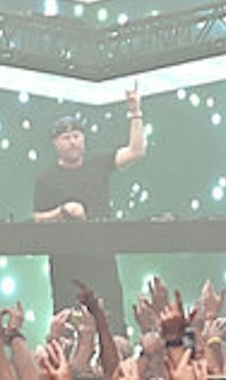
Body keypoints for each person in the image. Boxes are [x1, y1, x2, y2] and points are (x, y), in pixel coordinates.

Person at [31, 88, 147, 322]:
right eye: (66, 138)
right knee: (69, 325)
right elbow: (36, 218)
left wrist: (135, 112)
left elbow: (136, 151)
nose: (73, 142)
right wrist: (63, 211)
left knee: (111, 321)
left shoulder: (99, 164)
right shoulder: (46, 179)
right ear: (56, 143)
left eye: (76, 136)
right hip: (66, 263)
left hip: (101, 257)